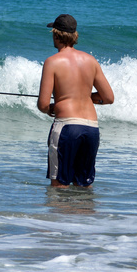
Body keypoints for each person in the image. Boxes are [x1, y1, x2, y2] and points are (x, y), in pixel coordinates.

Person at [37, 14, 115, 188]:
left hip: (67, 127)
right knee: (84, 186)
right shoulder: (91, 61)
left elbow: (42, 104)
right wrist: (84, 96)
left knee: (59, 186)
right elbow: (108, 98)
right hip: (91, 128)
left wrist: (51, 108)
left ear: (56, 35)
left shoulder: (52, 62)